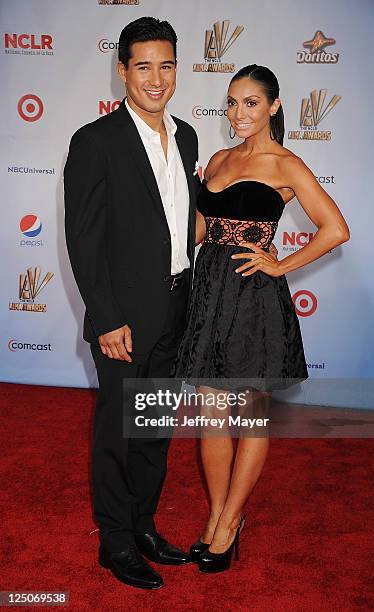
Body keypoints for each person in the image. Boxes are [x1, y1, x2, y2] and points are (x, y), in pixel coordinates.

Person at [174, 64, 350, 573]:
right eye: (231, 103)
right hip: (209, 293)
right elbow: (202, 232)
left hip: (254, 299)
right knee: (211, 417)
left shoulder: (286, 164)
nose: (238, 113)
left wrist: (279, 263)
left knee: (249, 417)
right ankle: (214, 518)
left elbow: (334, 228)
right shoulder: (220, 158)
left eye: (250, 102)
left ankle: (231, 523)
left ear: (273, 106)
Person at [64, 17, 201, 590]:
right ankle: (116, 540)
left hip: (177, 306)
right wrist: (105, 318)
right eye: (143, 66)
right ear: (122, 70)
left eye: (166, 65)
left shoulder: (189, 136)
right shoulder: (95, 141)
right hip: (123, 317)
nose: (156, 78)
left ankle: (144, 524)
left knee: (154, 427)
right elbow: (84, 239)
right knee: (118, 430)